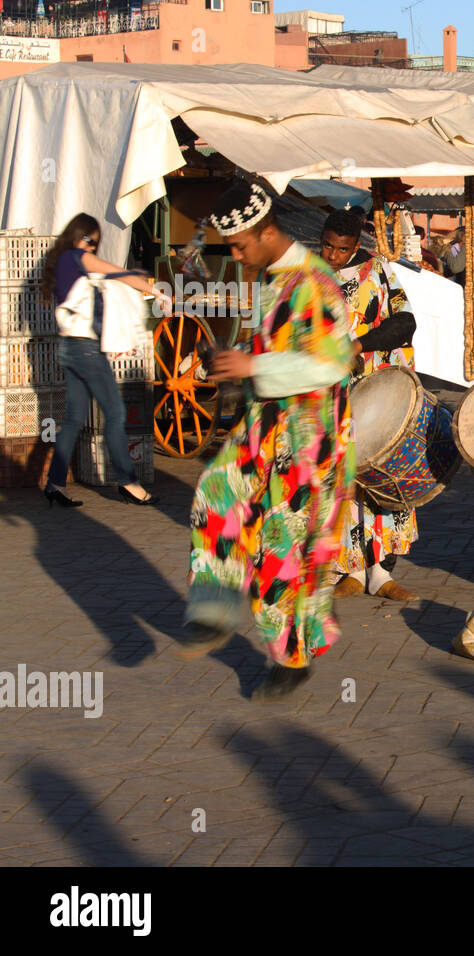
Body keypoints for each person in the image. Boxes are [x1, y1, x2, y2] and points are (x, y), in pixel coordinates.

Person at [180, 182, 355, 701]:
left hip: (307, 440)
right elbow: (274, 350)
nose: (235, 255)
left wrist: (253, 364)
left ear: (268, 231)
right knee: (216, 490)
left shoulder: (316, 282)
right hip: (263, 426)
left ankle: (291, 659)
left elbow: (331, 363)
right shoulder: (273, 279)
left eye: (240, 245)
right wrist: (237, 363)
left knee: (282, 551)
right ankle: (215, 611)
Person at [318, 208, 420, 603]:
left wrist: (360, 344)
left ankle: (380, 571)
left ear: (355, 246)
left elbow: (406, 322)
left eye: (340, 249)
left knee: (381, 476)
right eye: (326, 245)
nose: (331, 255)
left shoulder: (377, 272)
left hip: (379, 394)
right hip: (332, 397)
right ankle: (351, 570)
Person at [40, 213, 163, 508]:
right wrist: (153, 289)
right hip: (87, 350)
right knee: (116, 414)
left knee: (72, 420)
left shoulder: (62, 261)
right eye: (89, 240)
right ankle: (128, 482)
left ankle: (55, 484)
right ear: (78, 236)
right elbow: (118, 272)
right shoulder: (76, 256)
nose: (92, 247)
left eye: (95, 242)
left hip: (69, 347)